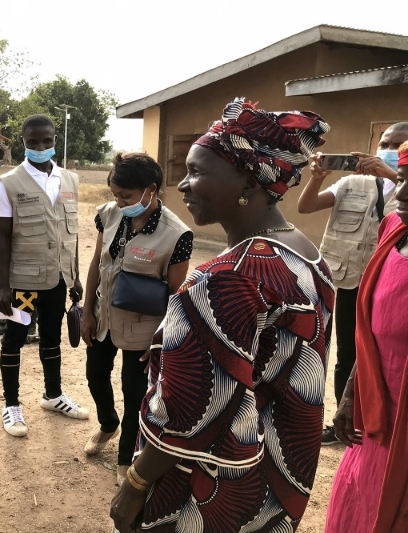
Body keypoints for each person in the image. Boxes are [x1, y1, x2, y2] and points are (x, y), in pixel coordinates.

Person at [109, 99, 334, 533]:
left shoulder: (224, 279)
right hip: (272, 479)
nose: (183, 185)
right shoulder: (306, 254)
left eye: (197, 171)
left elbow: (188, 410)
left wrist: (135, 483)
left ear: (249, 176)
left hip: (209, 490)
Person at [80, 152, 193, 485]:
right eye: (115, 194)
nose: (118, 202)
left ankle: (125, 458)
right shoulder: (109, 215)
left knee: (134, 393)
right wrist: (87, 311)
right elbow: (97, 265)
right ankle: (107, 424)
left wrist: (160, 340)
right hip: (104, 319)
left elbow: (176, 293)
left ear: (150, 190)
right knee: (94, 375)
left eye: (126, 196)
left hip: (144, 329)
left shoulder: (177, 235)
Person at [297, 122, 407, 444]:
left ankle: (380, 420)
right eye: (384, 140)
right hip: (348, 281)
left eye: (397, 144)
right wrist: (316, 178)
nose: (386, 146)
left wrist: (391, 175)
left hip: (387, 285)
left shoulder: (402, 189)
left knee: (382, 352)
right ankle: (345, 420)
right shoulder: (351, 183)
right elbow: (306, 207)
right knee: (347, 351)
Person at [324, 141, 408, 533]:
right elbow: (372, 326)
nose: (402, 193)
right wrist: (349, 395)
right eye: (403, 179)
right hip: (377, 418)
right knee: (356, 504)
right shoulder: (393, 230)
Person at [0, 114, 89, 437]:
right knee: (15, 339)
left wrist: (74, 277)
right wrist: (3, 286)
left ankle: (53, 395)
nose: (39, 147)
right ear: (23, 142)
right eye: (32, 142)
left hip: (59, 279)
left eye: (46, 141)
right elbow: (3, 239)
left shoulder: (70, 180)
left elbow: (69, 234)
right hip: (24, 283)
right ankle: (11, 406)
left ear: (54, 140)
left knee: (52, 337)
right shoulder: (8, 184)